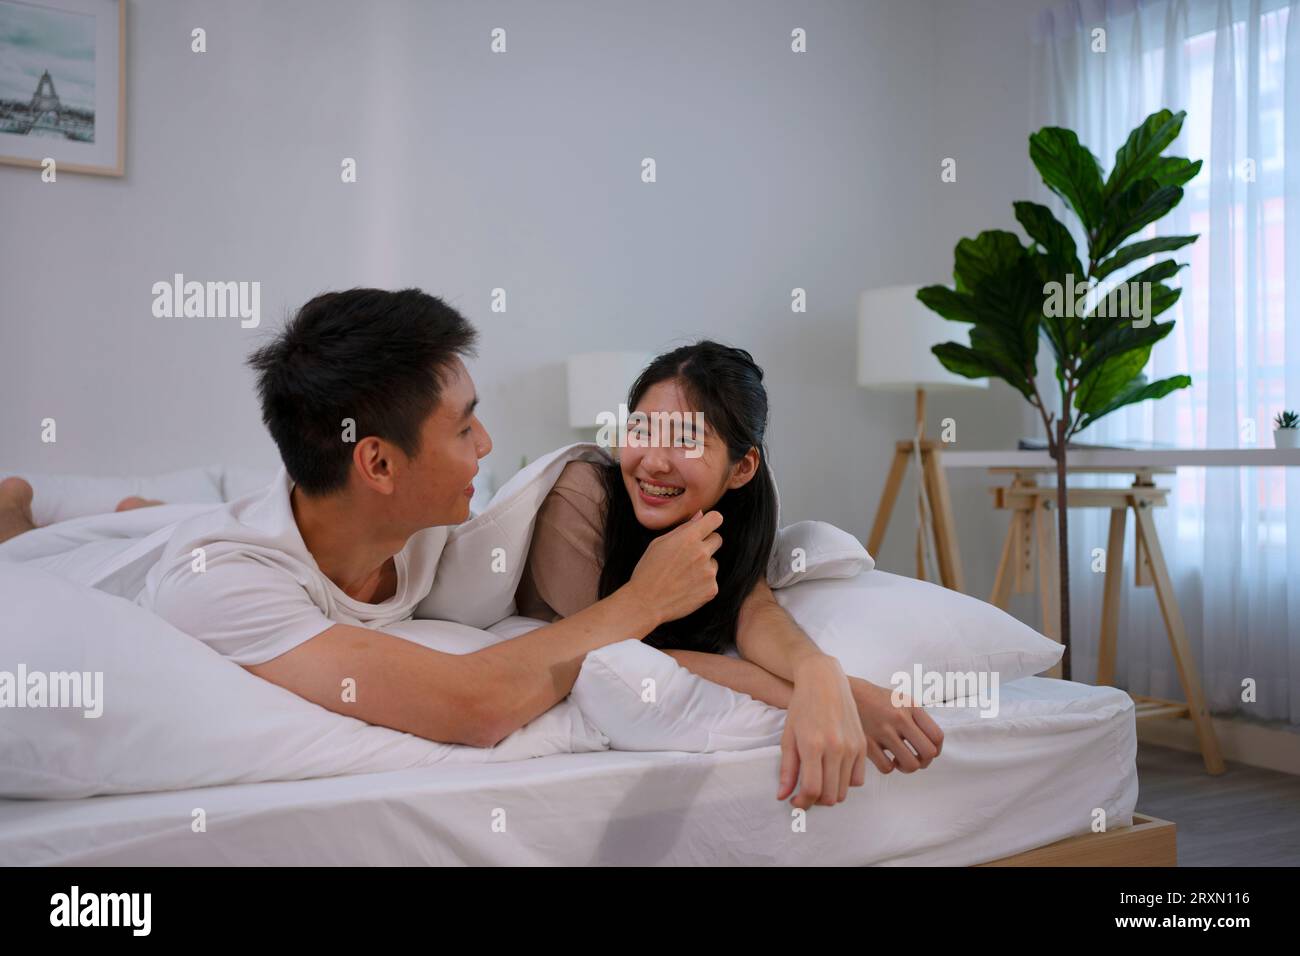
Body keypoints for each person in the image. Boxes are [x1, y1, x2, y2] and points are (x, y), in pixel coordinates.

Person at [516, 342, 944, 801]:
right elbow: (611, 651)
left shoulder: (740, 510)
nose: (653, 461)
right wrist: (843, 695)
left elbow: (753, 610)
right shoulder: (580, 499)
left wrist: (820, 671)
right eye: (641, 430)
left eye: (686, 440)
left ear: (742, 468)